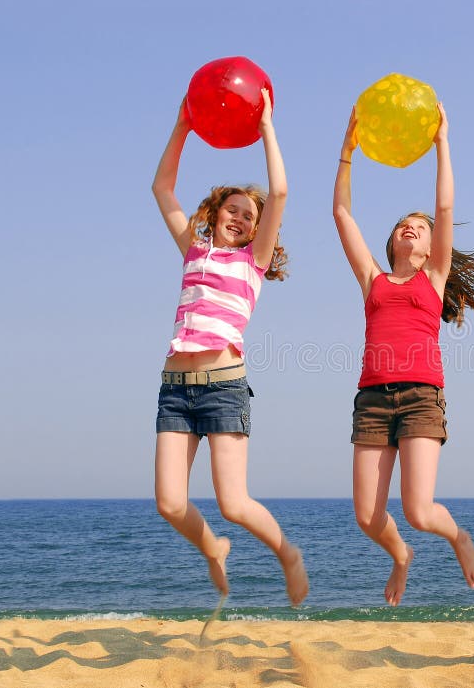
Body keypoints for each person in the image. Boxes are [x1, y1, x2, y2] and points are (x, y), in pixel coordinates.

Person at [333, 104, 474, 606]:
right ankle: (400, 555)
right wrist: (347, 153)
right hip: (372, 399)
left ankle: (458, 537)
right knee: (368, 516)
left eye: (420, 227)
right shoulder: (374, 280)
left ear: (431, 248)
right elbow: (342, 214)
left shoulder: (433, 279)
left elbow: (444, 208)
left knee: (420, 510)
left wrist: (442, 143)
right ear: (390, 243)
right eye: (404, 225)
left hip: (421, 396)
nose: (412, 228)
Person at [151, 89, 308, 606]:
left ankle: (288, 553)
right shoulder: (192, 249)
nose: (240, 218)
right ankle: (213, 549)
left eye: (249, 215)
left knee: (234, 502)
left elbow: (280, 192)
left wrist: (266, 127)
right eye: (233, 209)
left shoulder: (251, 264)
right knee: (170, 504)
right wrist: (183, 126)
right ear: (215, 212)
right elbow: (162, 187)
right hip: (175, 387)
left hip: (222, 387)